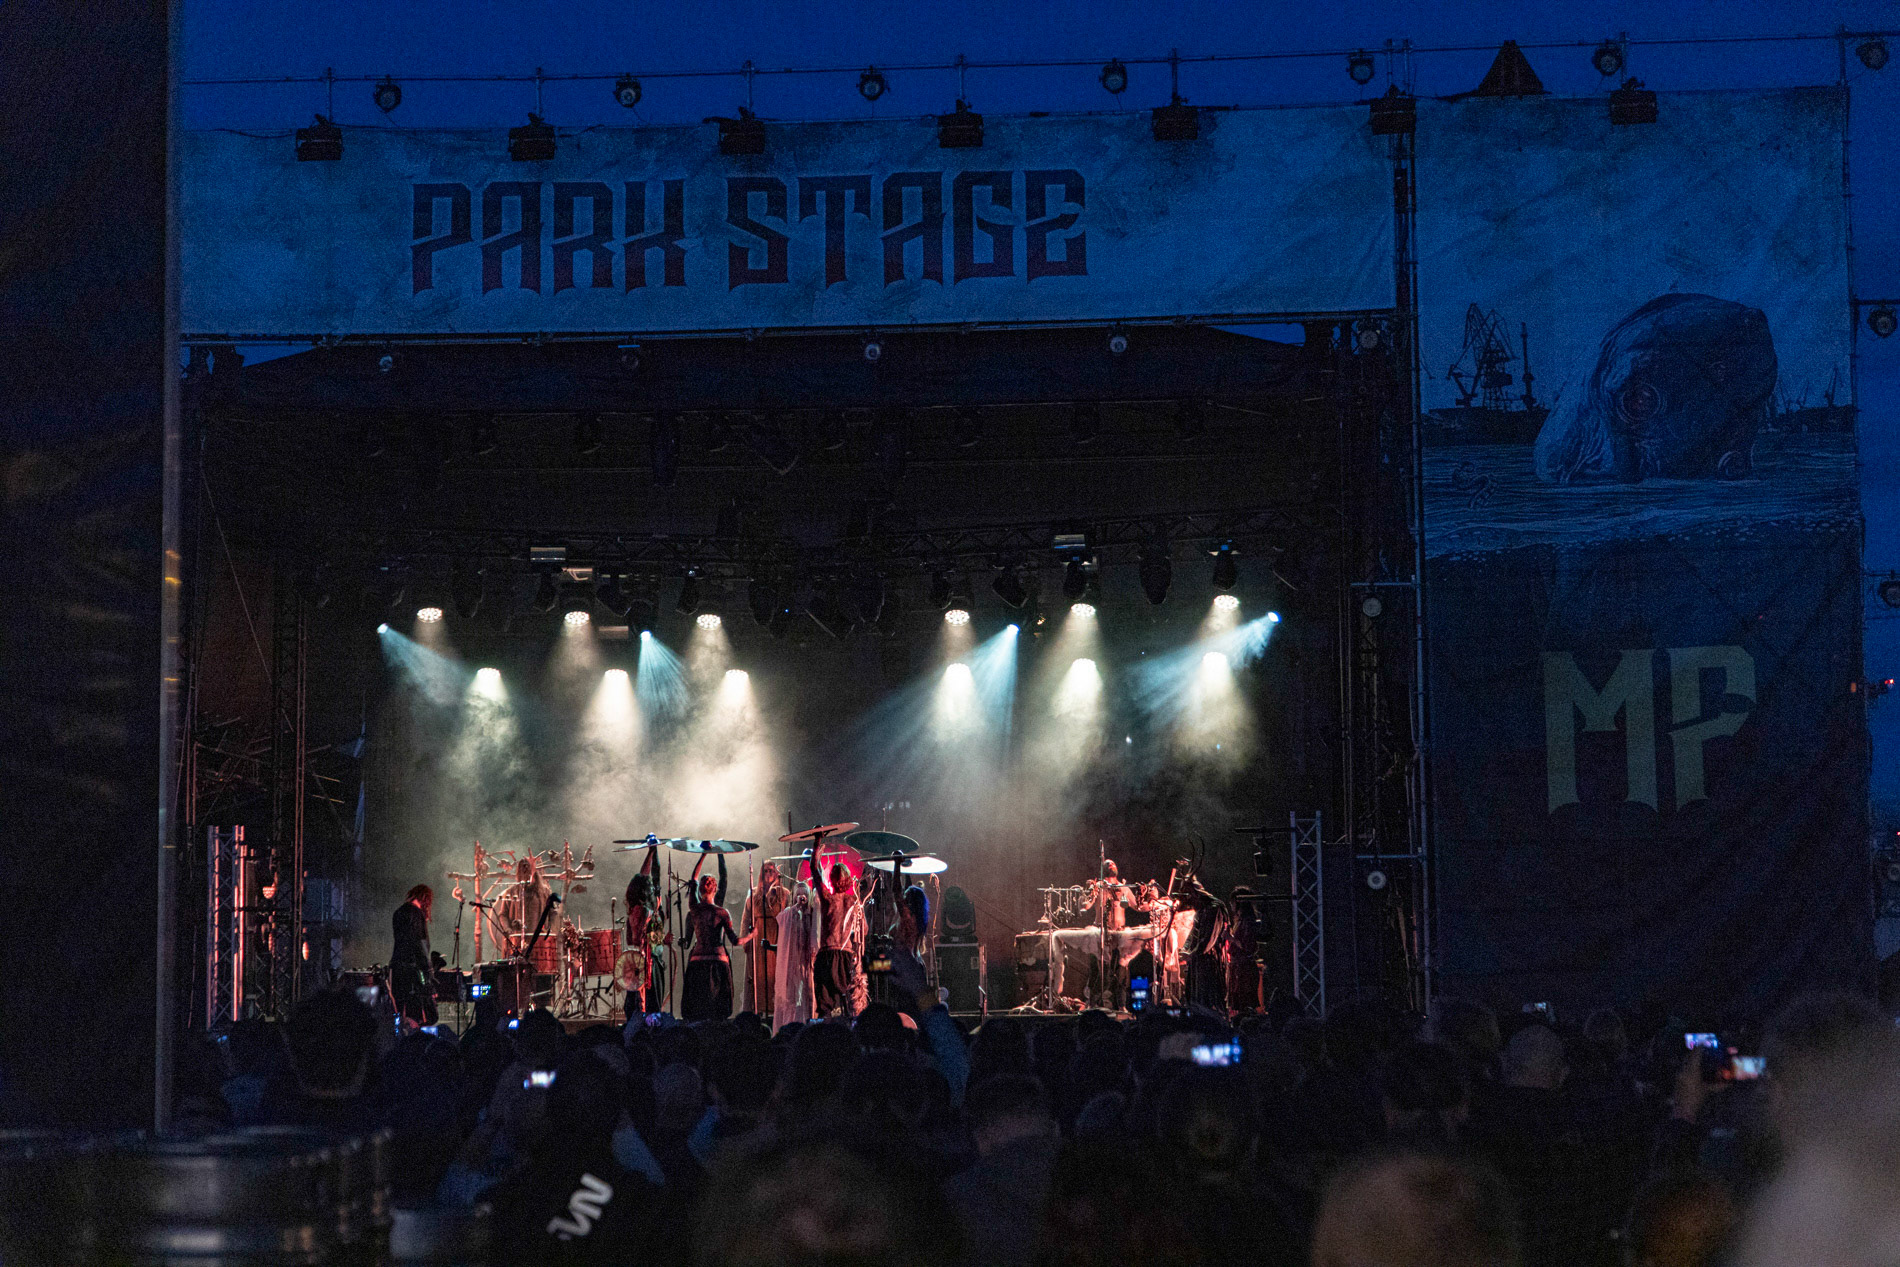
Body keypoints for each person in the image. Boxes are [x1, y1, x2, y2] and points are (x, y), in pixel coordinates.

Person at [680, 853, 737, 1021]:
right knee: (707, 1002)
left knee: (706, 1002)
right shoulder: (694, 912)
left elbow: (721, 879)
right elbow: (687, 940)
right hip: (707, 959)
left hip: (705, 959)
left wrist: (712, 854)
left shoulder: (708, 907)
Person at [808, 850, 864, 1019]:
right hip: (843, 954)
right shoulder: (853, 902)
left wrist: (817, 845)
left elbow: (814, 871)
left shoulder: (827, 898)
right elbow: (864, 930)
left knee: (825, 1005)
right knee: (847, 1003)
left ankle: (826, 1037)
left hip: (828, 954)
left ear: (831, 879)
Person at [741, 860, 791, 1015]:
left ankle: (777, 1013)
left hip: (776, 938)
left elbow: (790, 918)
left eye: (771, 870)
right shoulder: (753, 894)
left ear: (776, 873)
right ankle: (758, 1013)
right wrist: (746, 940)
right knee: (758, 979)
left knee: (775, 977)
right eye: (766, 870)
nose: (768, 874)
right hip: (758, 939)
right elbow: (746, 919)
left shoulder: (785, 894)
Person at [622, 849, 668, 1016]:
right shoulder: (646, 911)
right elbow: (646, 939)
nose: (653, 889)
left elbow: (630, 939)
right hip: (649, 962)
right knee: (651, 1006)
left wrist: (652, 852)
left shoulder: (633, 911)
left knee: (637, 1006)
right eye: (650, 888)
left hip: (636, 961)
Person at [773, 881, 819, 1032]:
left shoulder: (812, 914)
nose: (801, 897)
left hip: (807, 963)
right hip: (793, 963)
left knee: (807, 995)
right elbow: (780, 920)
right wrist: (795, 908)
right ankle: (792, 1027)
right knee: (794, 996)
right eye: (798, 895)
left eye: (804, 894)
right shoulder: (789, 913)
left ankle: (809, 1025)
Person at [390, 883, 438, 1026]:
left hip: (396, 967)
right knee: (416, 1013)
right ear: (425, 898)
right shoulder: (417, 914)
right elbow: (420, 945)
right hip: (412, 971)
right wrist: (428, 973)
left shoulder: (398, 912)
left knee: (398, 1010)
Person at [498, 854, 553, 954]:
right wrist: (508, 929)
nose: (525, 870)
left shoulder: (544, 892)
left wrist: (550, 932)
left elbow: (553, 913)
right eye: (522, 867)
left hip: (539, 942)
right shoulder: (511, 892)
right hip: (517, 941)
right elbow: (503, 915)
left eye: (528, 867)